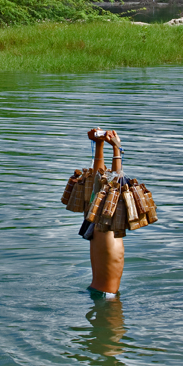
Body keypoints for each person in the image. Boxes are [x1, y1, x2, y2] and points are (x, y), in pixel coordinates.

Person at [85, 128, 124, 299]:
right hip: (107, 299)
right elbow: (115, 183)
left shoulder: (96, 225)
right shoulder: (106, 224)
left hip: (98, 293)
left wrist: (99, 144)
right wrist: (116, 148)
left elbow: (97, 183)